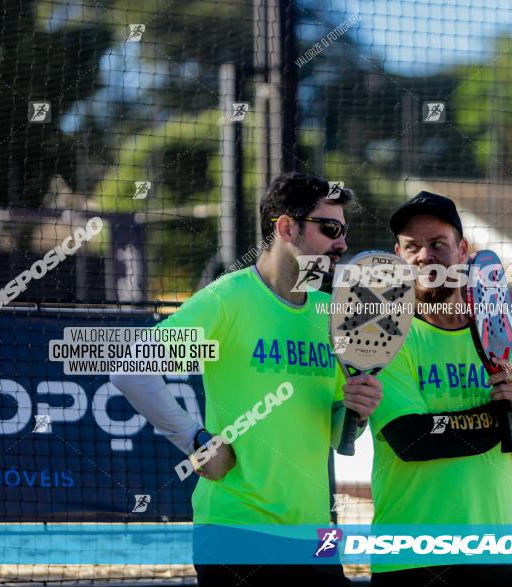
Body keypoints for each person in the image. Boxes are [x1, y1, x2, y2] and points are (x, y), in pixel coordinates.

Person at [110, 173, 383, 586]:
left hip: (316, 534)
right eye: (330, 229)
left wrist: (357, 411)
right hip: (235, 531)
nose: (342, 243)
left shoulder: (332, 312)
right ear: (286, 227)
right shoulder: (228, 298)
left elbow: (333, 433)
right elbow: (130, 367)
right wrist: (197, 441)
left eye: (344, 231)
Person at [368, 191, 512, 586]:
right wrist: (499, 416)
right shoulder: (387, 337)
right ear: (398, 256)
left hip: (499, 557)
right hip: (412, 560)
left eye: (437, 244)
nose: (424, 257)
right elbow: (412, 438)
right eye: (412, 247)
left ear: (462, 250)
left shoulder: (508, 339)